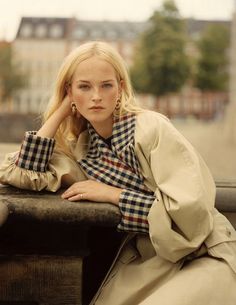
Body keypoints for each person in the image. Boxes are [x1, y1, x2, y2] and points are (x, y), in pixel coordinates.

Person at [0, 41, 236, 305]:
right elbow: (20, 171)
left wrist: (114, 194)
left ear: (120, 88)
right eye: (84, 86)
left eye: (106, 85)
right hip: (149, 264)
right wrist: (60, 112)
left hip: (204, 254)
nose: (96, 96)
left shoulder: (152, 129)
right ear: (70, 91)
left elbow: (189, 217)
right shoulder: (83, 151)